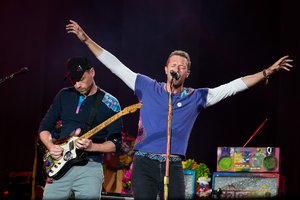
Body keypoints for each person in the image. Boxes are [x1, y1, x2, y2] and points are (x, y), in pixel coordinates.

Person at [66, 19, 293, 199]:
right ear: (166, 69)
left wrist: (266, 72)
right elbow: (115, 65)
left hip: (173, 164)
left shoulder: (197, 97)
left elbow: (233, 86)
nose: (177, 68)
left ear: (187, 73)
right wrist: (86, 39)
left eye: (182, 67)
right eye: (173, 65)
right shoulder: (146, 86)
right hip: (144, 162)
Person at [38, 56, 123, 199]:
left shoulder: (110, 103)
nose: (77, 85)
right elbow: (44, 127)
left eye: (81, 79)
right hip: (60, 166)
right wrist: (51, 146)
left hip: (89, 167)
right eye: (74, 80)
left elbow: (116, 144)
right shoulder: (64, 95)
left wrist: (92, 147)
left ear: (92, 72)